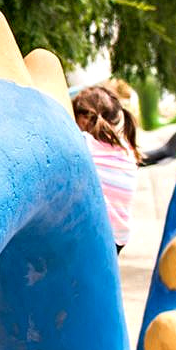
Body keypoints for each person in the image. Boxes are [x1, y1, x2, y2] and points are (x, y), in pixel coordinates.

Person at [73, 85, 138, 248]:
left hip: (98, 234)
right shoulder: (127, 148)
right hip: (120, 236)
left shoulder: (85, 143)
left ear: (84, 118)